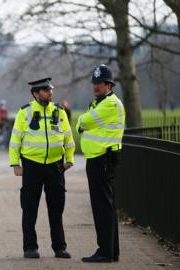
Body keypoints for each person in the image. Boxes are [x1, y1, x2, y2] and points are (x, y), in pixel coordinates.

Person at [9, 77, 75, 259]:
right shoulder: (25, 113)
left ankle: (59, 247)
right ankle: (30, 247)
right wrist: (15, 163)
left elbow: (68, 137)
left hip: (55, 165)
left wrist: (69, 159)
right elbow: (15, 139)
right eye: (46, 90)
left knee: (57, 208)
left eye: (51, 90)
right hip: (32, 166)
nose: (50, 93)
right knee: (30, 208)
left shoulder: (59, 112)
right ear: (35, 93)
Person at [77, 64, 125, 263]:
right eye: (94, 83)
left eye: (100, 83)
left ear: (109, 84)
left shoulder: (110, 104)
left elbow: (83, 122)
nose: (96, 86)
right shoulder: (99, 103)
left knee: (102, 207)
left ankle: (105, 251)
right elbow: (85, 123)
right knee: (106, 206)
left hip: (102, 160)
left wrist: (81, 121)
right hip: (99, 160)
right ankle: (111, 251)